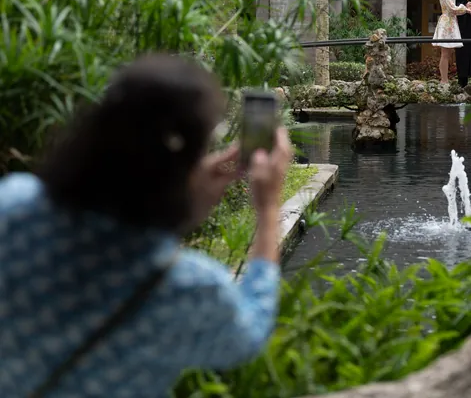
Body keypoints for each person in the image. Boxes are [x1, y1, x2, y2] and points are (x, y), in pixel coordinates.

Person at [0, 55, 292, 398]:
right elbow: (251, 331)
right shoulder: (186, 290)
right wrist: (268, 207)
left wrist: (185, 200)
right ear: (183, 166)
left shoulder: (14, 208)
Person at [431, 0, 468, 85]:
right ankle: (444, 80)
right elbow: (452, 9)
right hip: (448, 21)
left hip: (448, 20)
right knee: (445, 53)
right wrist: (466, 8)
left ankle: (445, 79)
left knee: (447, 53)